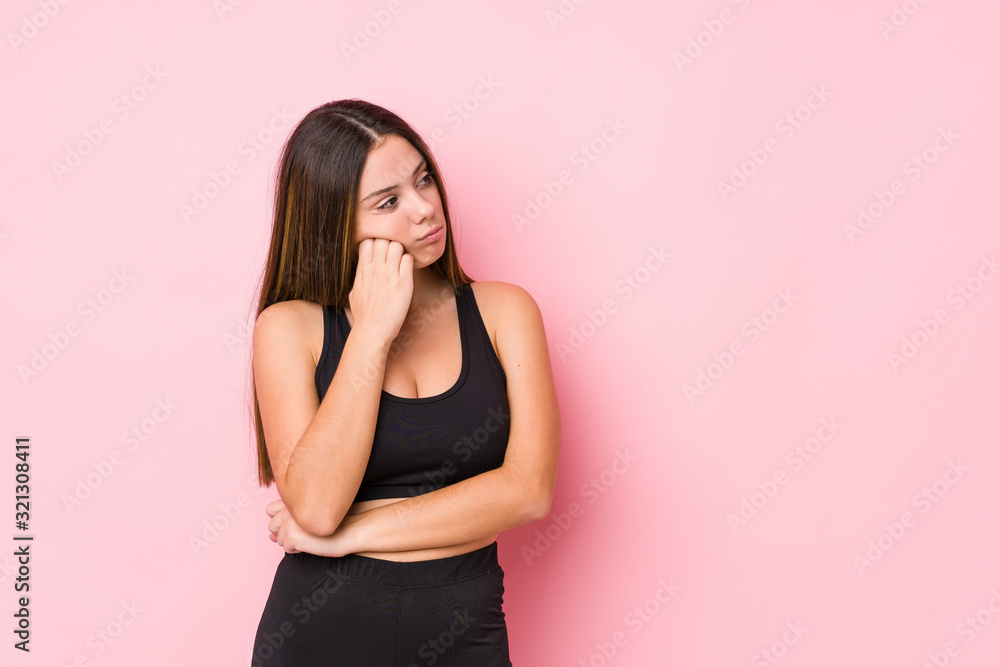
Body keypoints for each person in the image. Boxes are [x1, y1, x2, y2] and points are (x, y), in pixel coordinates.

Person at [247, 99, 560, 666]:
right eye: (388, 202)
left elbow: (528, 492)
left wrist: (347, 535)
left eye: (423, 179)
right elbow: (315, 508)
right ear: (333, 222)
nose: (424, 209)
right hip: (319, 636)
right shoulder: (289, 327)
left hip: (468, 638)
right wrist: (370, 335)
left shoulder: (504, 312)